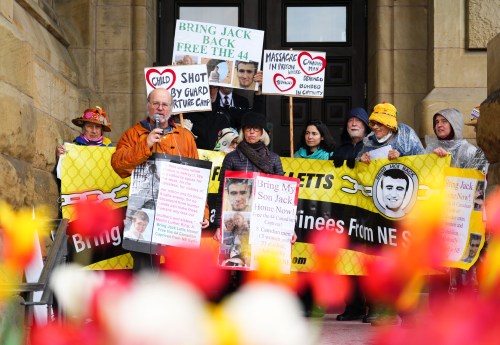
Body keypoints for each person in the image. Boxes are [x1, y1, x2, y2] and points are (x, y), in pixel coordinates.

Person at [111, 88, 209, 271]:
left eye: (165, 104)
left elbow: (197, 178)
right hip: (145, 211)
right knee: (145, 270)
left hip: (176, 211)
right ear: (148, 106)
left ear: (171, 108)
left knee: (179, 271)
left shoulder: (185, 136)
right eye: (156, 103)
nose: (160, 108)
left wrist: (202, 211)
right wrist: (146, 143)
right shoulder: (134, 134)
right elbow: (118, 165)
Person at [213, 111, 294, 297]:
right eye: (248, 129)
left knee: (262, 269)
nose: (251, 133)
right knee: (239, 266)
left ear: (262, 133)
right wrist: (219, 225)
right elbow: (222, 194)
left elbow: (282, 196)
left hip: (266, 221)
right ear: (242, 132)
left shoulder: (273, 159)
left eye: (256, 129)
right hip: (240, 220)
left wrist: (289, 228)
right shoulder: (232, 158)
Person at [333, 107, 371, 322]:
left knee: (369, 261)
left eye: (358, 121)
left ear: (366, 125)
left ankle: (373, 306)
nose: (353, 124)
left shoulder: (374, 146)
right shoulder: (340, 149)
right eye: (350, 121)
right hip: (345, 214)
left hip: (368, 214)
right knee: (347, 261)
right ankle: (353, 306)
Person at [185, 82, 264, 150]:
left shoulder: (226, 112)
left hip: (222, 162)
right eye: (207, 87)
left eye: (214, 87)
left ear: (218, 89)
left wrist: (258, 93)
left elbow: (255, 116)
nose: (211, 91)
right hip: (195, 162)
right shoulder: (188, 114)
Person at [56, 106, 112, 179]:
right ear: (83, 128)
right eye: (90, 126)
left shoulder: (109, 147)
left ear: (101, 130)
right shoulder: (73, 147)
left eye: (98, 127)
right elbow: (63, 175)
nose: (94, 131)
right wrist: (60, 158)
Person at [358, 102, 424, 164]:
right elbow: (356, 170)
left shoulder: (405, 134)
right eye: (373, 123)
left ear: (390, 125)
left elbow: (422, 160)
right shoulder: (369, 141)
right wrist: (361, 161)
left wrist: (401, 158)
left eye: (379, 123)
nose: (375, 127)